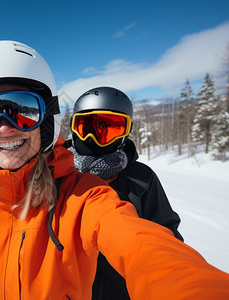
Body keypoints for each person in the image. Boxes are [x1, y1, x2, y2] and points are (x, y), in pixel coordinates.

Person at [0, 40, 229, 299]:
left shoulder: (85, 196)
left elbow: (150, 248)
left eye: (23, 110)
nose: (3, 128)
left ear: (48, 119)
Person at [68, 86, 183, 299]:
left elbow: (166, 236)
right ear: (74, 127)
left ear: (125, 133)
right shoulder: (58, 175)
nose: (94, 138)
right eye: (87, 127)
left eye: (110, 128)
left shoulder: (140, 178)